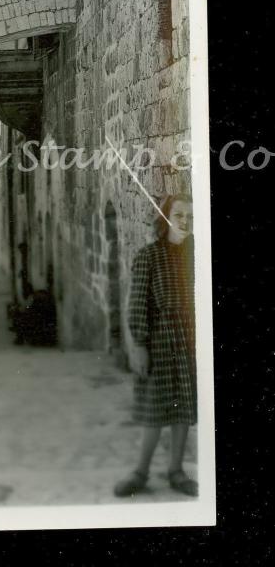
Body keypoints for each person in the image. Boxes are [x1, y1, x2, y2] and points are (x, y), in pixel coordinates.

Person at [114, 193, 198, 498]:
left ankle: (176, 471)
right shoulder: (149, 255)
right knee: (154, 409)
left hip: (191, 339)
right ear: (165, 218)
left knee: (184, 407)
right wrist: (139, 345)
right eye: (179, 215)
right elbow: (137, 304)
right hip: (160, 339)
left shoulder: (198, 254)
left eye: (190, 215)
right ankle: (141, 472)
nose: (185, 221)